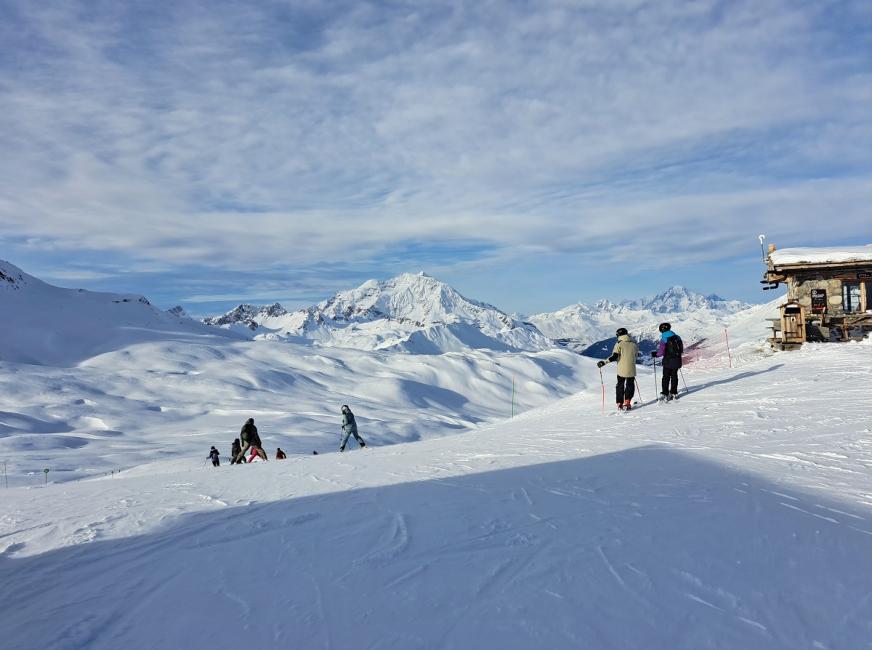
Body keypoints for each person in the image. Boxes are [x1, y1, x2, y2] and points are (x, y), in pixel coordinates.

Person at [597, 327, 639, 410]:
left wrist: (604, 362)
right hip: (631, 369)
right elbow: (636, 355)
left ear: (618, 335)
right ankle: (627, 402)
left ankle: (620, 403)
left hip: (621, 370)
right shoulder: (634, 344)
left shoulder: (619, 344)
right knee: (630, 385)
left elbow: (614, 356)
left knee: (620, 385)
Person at [651, 322, 684, 401]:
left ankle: (665, 393)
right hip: (677, 360)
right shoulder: (677, 337)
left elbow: (661, 352)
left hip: (668, 361)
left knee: (666, 377)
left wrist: (656, 354)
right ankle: (674, 392)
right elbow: (681, 349)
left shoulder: (664, 339)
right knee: (674, 376)